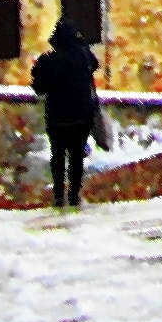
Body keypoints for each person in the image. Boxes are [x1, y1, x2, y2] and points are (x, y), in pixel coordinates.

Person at [30, 17, 100, 209]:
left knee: (58, 156)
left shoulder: (48, 61)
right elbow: (95, 64)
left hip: (57, 116)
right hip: (81, 116)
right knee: (77, 157)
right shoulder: (84, 57)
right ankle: (75, 195)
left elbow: (38, 88)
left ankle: (59, 195)